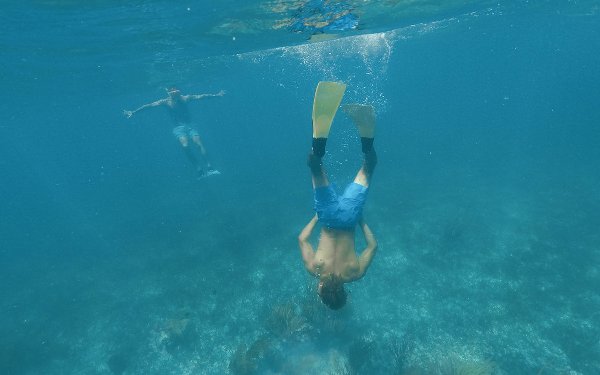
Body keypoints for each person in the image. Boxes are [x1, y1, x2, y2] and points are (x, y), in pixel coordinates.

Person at [298, 82, 378, 310]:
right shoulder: (315, 269)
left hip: (351, 217)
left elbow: (372, 246)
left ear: (343, 292)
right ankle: (319, 145)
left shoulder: (355, 273)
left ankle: (366, 135)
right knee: (314, 165)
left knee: (369, 165)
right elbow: (301, 239)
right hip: (327, 217)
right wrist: (316, 218)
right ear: (322, 290)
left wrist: (361, 220)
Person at [123, 87, 225, 177]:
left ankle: (210, 168)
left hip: (190, 126)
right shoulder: (166, 102)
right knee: (185, 146)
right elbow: (149, 105)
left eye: (176, 92)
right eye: (172, 92)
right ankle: (199, 170)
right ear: (169, 93)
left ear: (179, 92)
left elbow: (201, 96)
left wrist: (217, 95)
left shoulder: (186, 98)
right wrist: (134, 112)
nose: (175, 94)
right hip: (178, 128)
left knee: (198, 144)